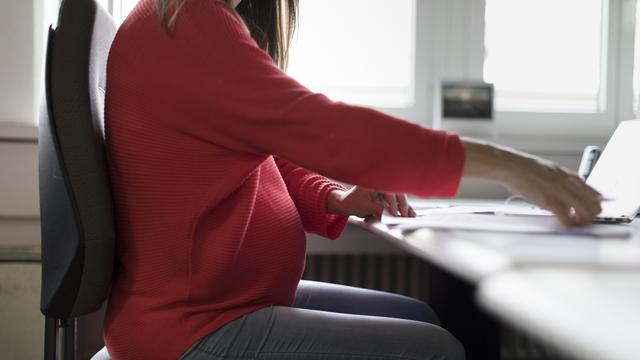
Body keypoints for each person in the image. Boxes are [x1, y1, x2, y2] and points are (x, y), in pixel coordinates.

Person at [102, 0, 603, 359]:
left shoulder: (186, 19)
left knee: (423, 318)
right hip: (191, 329)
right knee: (438, 349)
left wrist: (335, 195)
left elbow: (264, 154)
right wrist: (511, 165)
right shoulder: (188, 21)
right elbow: (324, 128)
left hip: (219, 303)